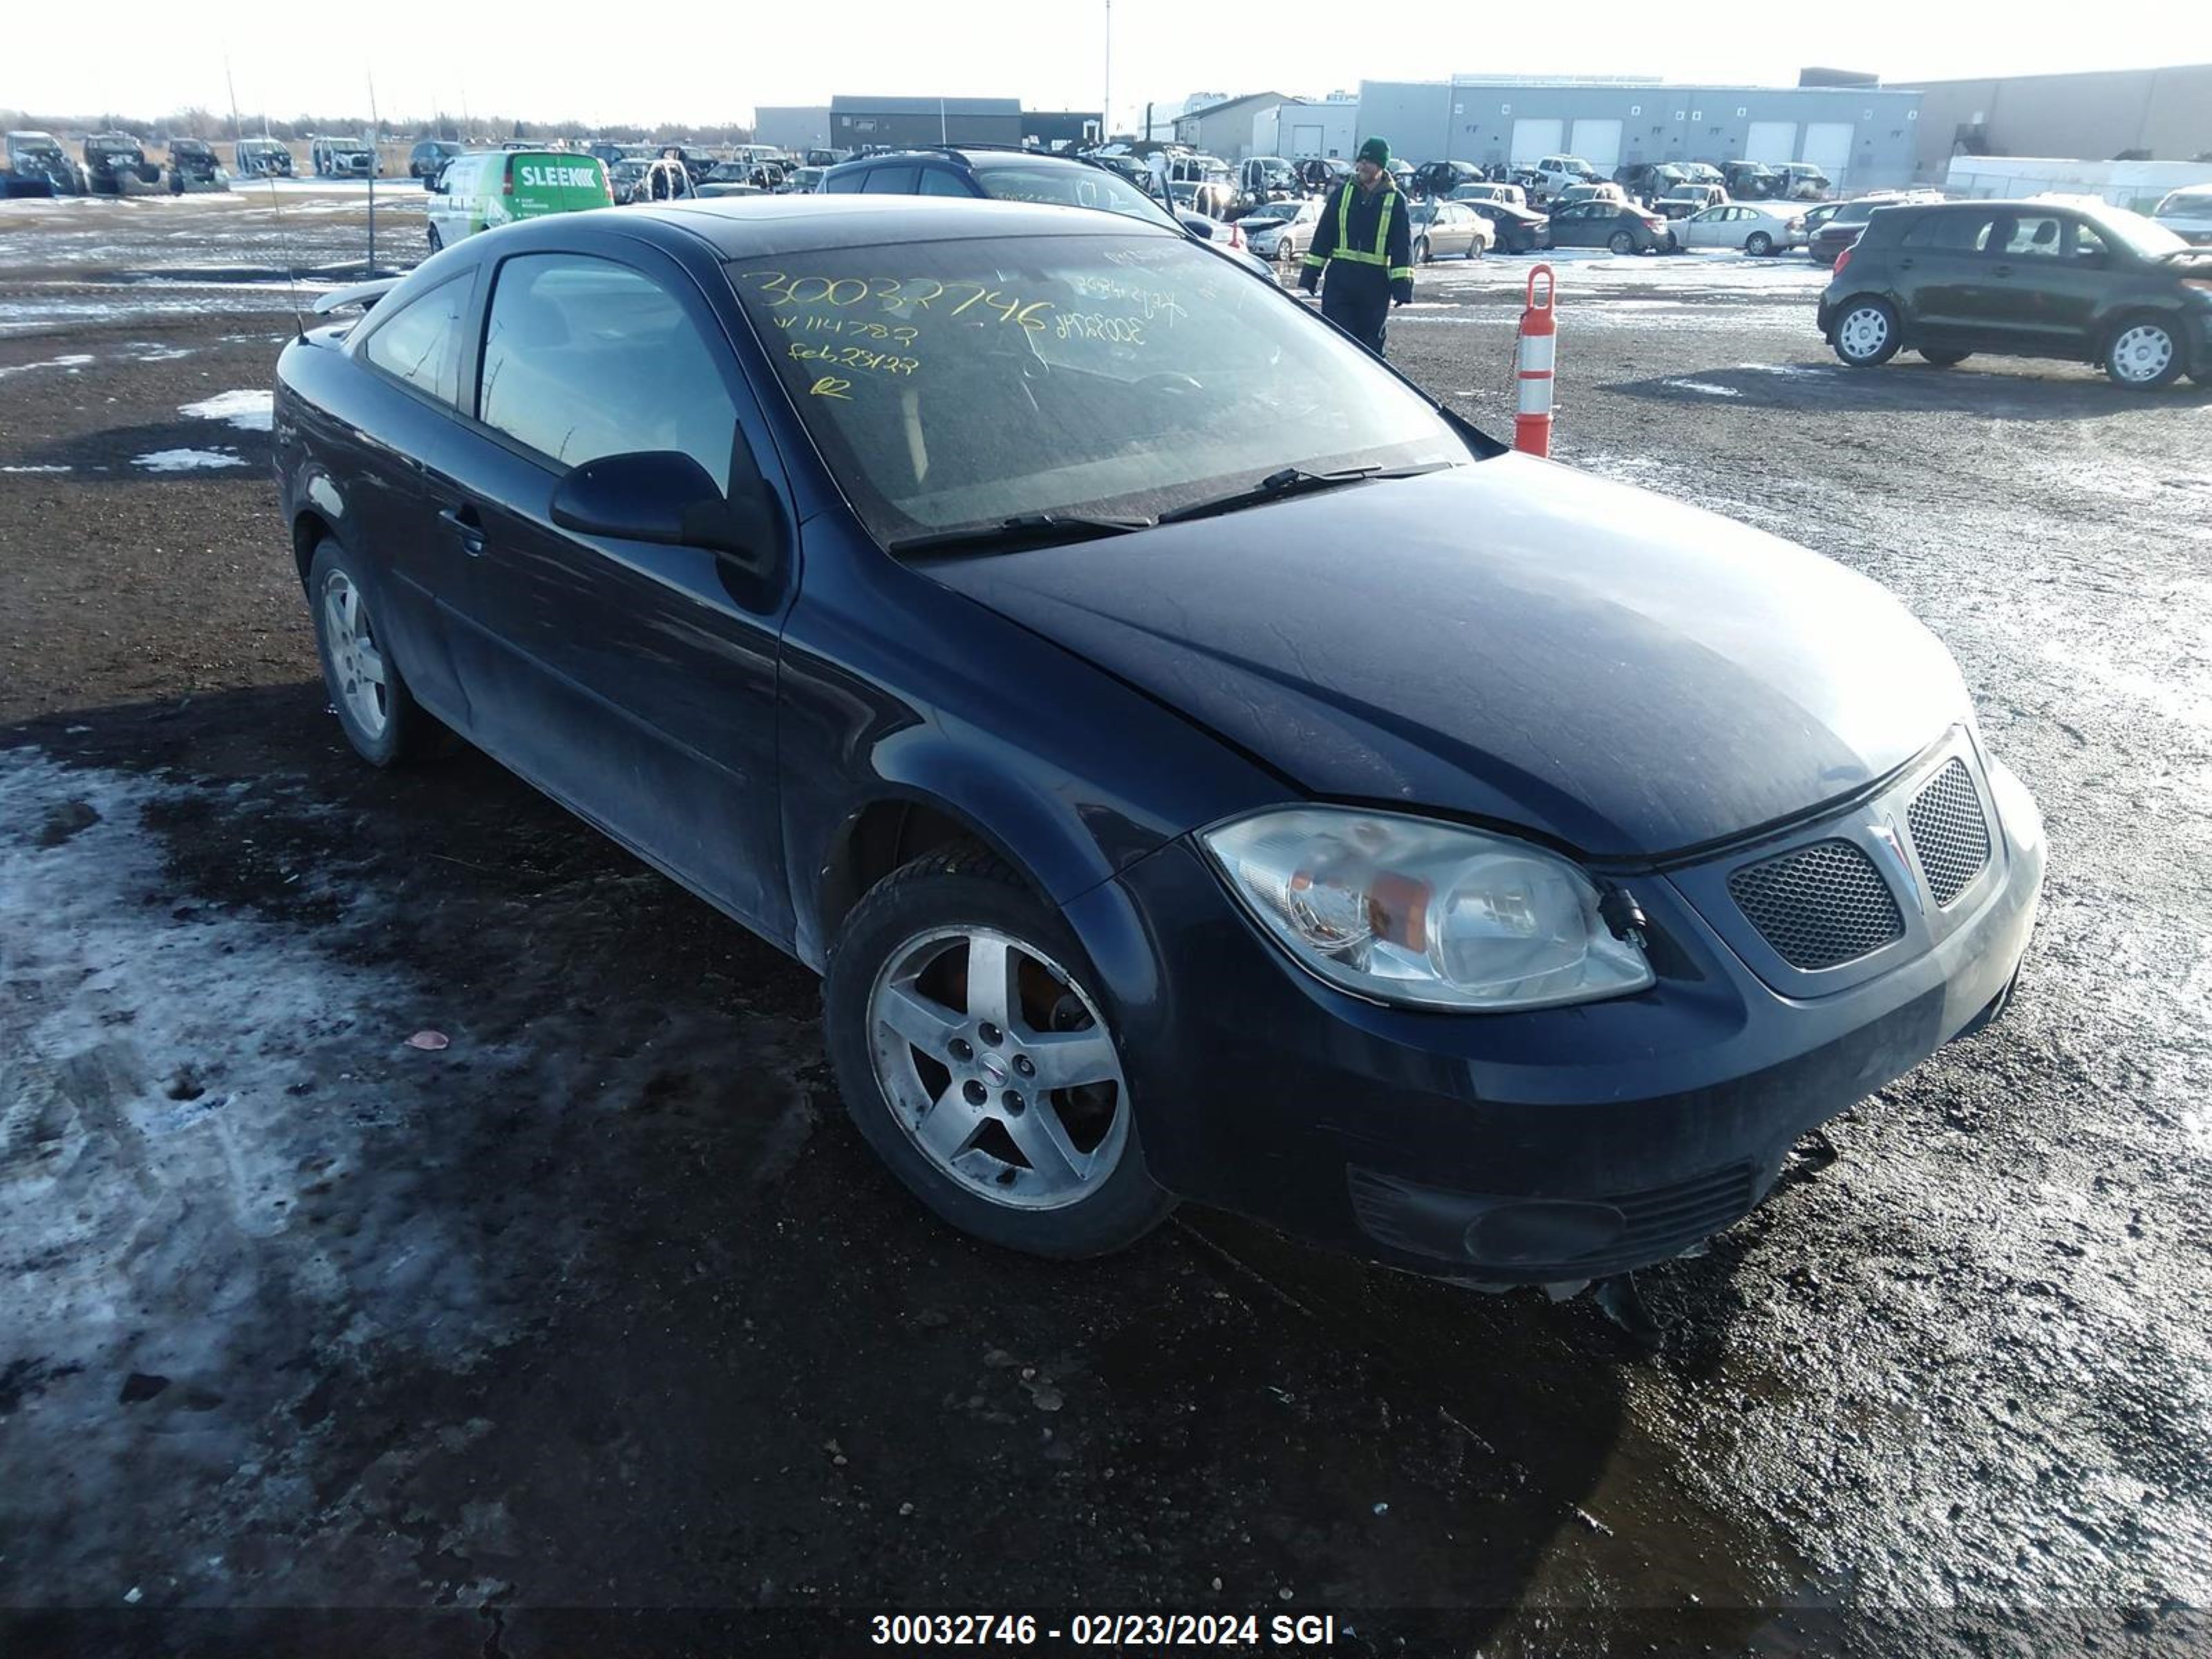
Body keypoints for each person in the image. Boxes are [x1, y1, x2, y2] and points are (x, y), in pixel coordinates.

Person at [1297, 135, 1413, 358]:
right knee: (1337, 339)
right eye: (1361, 161)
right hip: (1340, 280)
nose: (1363, 166)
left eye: (1369, 162)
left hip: (1375, 284)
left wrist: (1402, 286)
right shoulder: (1342, 194)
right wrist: (1310, 275)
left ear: (1381, 167)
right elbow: (1324, 236)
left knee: (1371, 346)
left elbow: (1402, 245)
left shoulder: (1396, 200)